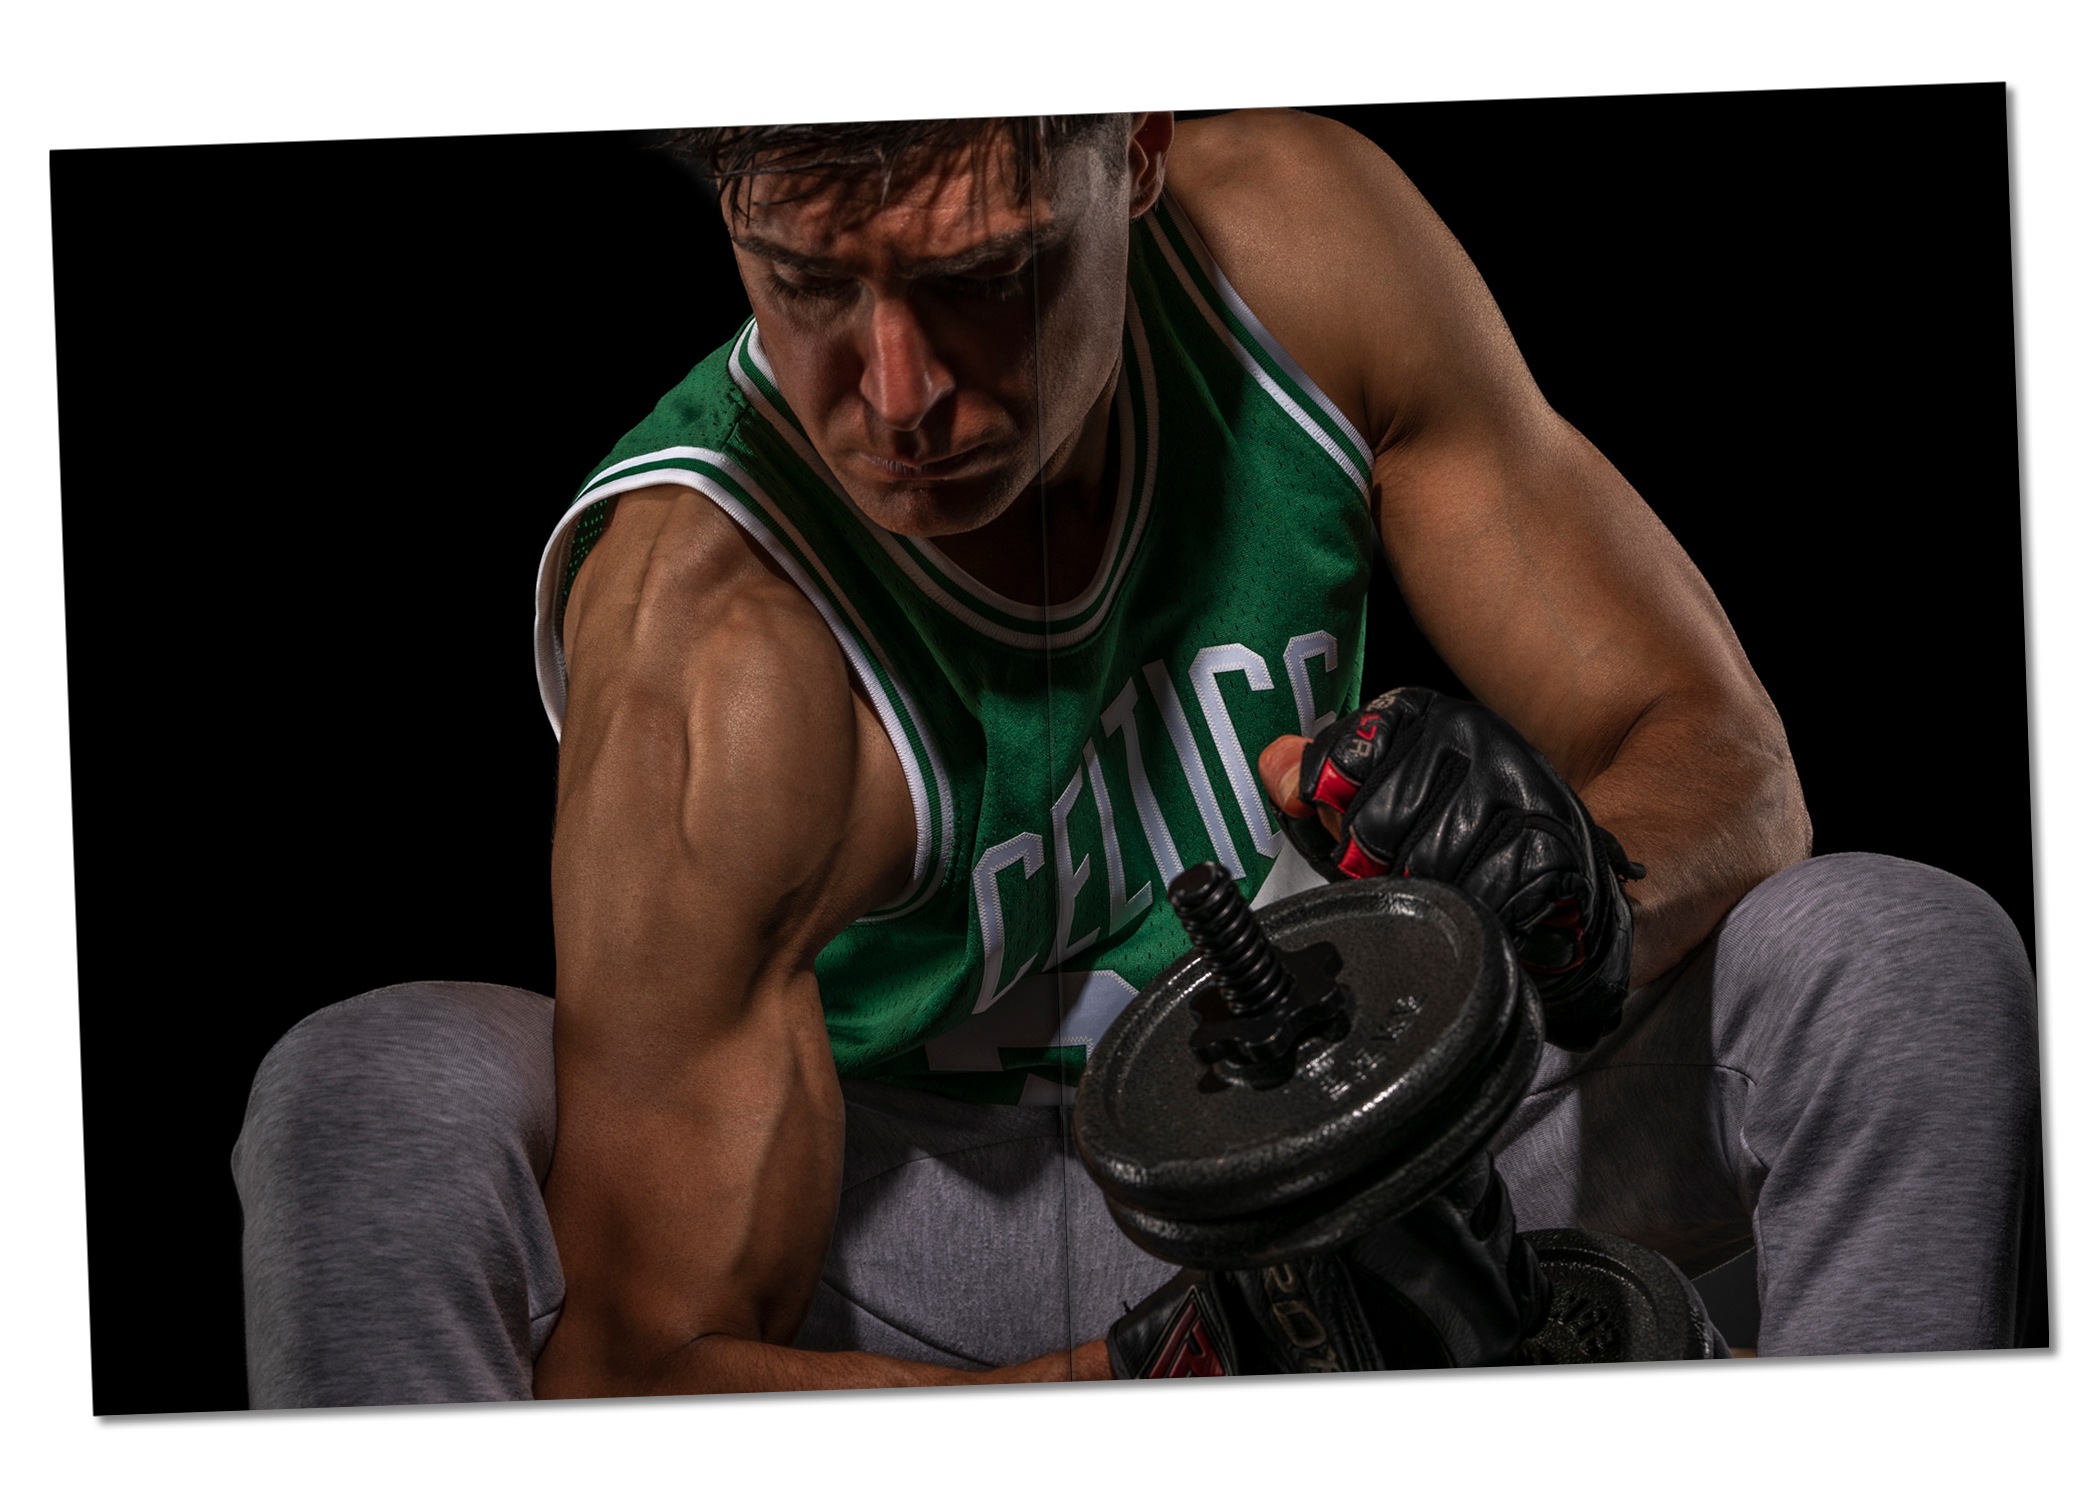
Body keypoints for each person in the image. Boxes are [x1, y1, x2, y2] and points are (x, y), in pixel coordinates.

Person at [233, 110, 2041, 1405]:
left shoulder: (1298, 257)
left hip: (1366, 1127)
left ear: (1140, 150)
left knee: (1896, 950)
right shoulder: (720, 642)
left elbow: (1727, 764)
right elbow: (635, 1368)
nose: (900, 394)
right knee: (376, 1089)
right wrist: (1148, 1374)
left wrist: (1572, 892)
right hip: (929, 1248)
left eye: (983, 280)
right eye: (807, 285)